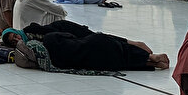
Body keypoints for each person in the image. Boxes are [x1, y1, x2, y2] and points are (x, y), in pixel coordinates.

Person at [22, 20, 170, 71]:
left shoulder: (52, 52)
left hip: (96, 59)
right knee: (120, 49)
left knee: (123, 61)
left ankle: (150, 62)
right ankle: (151, 57)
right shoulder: (54, 33)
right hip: (95, 42)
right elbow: (79, 34)